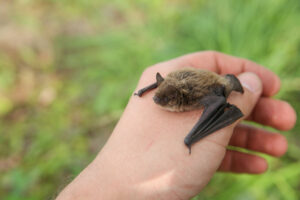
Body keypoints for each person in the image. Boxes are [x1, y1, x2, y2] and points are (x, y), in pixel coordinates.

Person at [56, 51, 296, 200]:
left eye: (165, 99)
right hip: (185, 81)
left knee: (219, 103)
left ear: (177, 100)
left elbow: (214, 100)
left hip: (216, 87)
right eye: (157, 93)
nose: (157, 100)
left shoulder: (195, 98)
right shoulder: (166, 85)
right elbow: (163, 88)